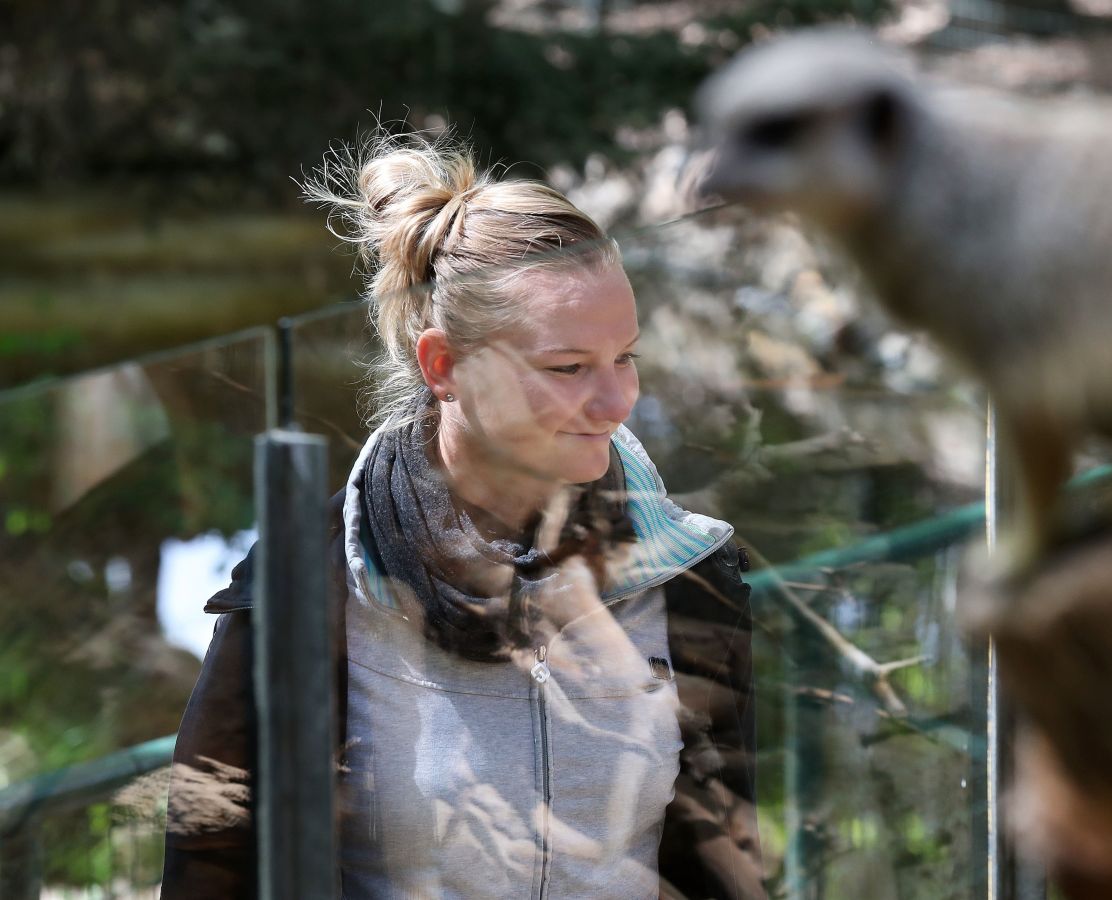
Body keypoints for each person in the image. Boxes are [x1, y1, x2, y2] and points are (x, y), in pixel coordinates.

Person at [161, 132, 765, 899]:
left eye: (626, 357)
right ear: (444, 367)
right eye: (568, 367)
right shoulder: (304, 591)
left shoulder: (690, 575)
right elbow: (208, 871)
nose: (616, 403)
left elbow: (720, 868)